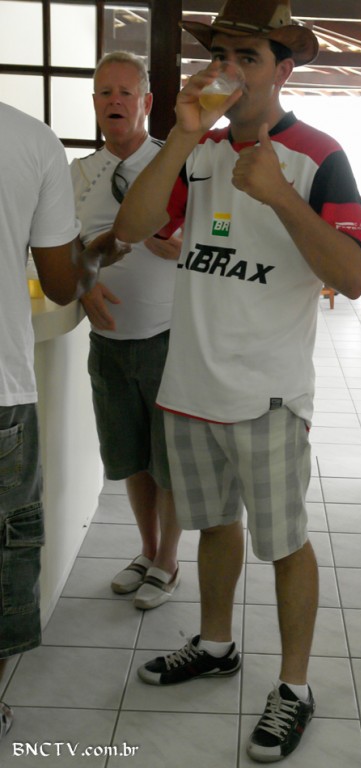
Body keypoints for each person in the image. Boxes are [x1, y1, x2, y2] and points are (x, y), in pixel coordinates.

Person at [114, 0, 361, 762]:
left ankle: (294, 687)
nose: (228, 71)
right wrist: (181, 136)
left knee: (285, 543)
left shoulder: (320, 157)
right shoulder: (198, 151)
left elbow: (355, 277)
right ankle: (217, 644)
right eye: (220, 56)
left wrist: (282, 195)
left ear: (283, 70)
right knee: (213, 526)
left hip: (270, 395)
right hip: (191, 386)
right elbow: (133, 228)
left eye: (247, 58)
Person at [0, 101, 128, 741]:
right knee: (3, 558)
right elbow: (59, 282)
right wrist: (98, 252)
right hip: (0, 393)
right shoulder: (29, 139)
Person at [71, 51, 182, 611]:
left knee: (170, 460)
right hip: (108, 342)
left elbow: (218, 240)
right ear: (94, 103)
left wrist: (183, 246)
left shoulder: (176, 164)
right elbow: (60, 249)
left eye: (125, 92)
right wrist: (82, 282)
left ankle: (169, 561)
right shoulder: (77, 173)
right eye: (104, 92)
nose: (114, 100)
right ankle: (147, 549)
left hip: (170, 338)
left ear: (146, 102)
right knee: (132, 458)